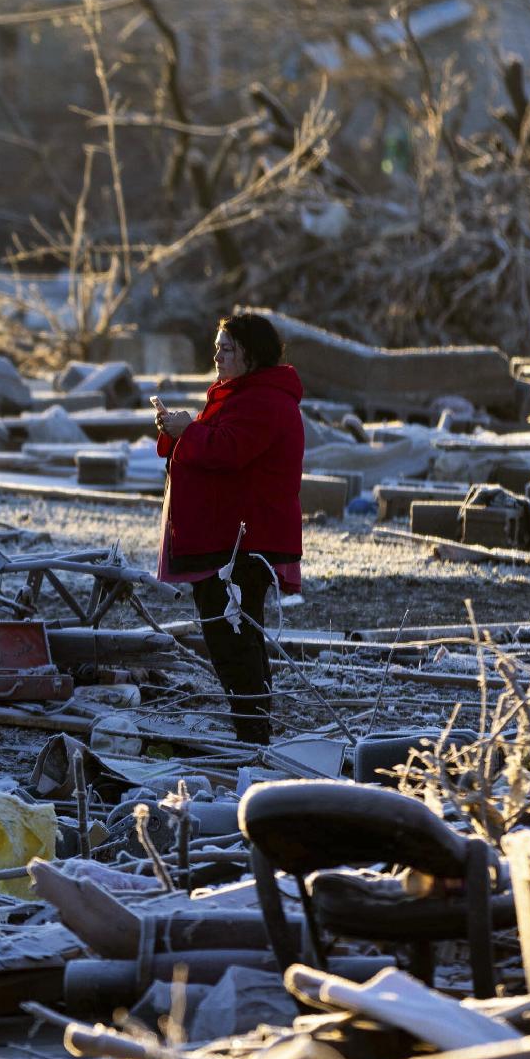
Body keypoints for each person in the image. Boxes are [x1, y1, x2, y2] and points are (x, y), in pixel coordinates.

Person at [154, 311, 304, 745]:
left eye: (226, 347)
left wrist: (190, 430)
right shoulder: (241, 395)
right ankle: (252, 730)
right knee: (233, 635)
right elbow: (213, 442)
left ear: (251, 355)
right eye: (217, 346)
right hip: (225, 538)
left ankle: (253, 736)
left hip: (240, 541)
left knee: (233, 638)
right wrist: (178, 430)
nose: (216, 354)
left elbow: (228, 450)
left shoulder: (265, 401)